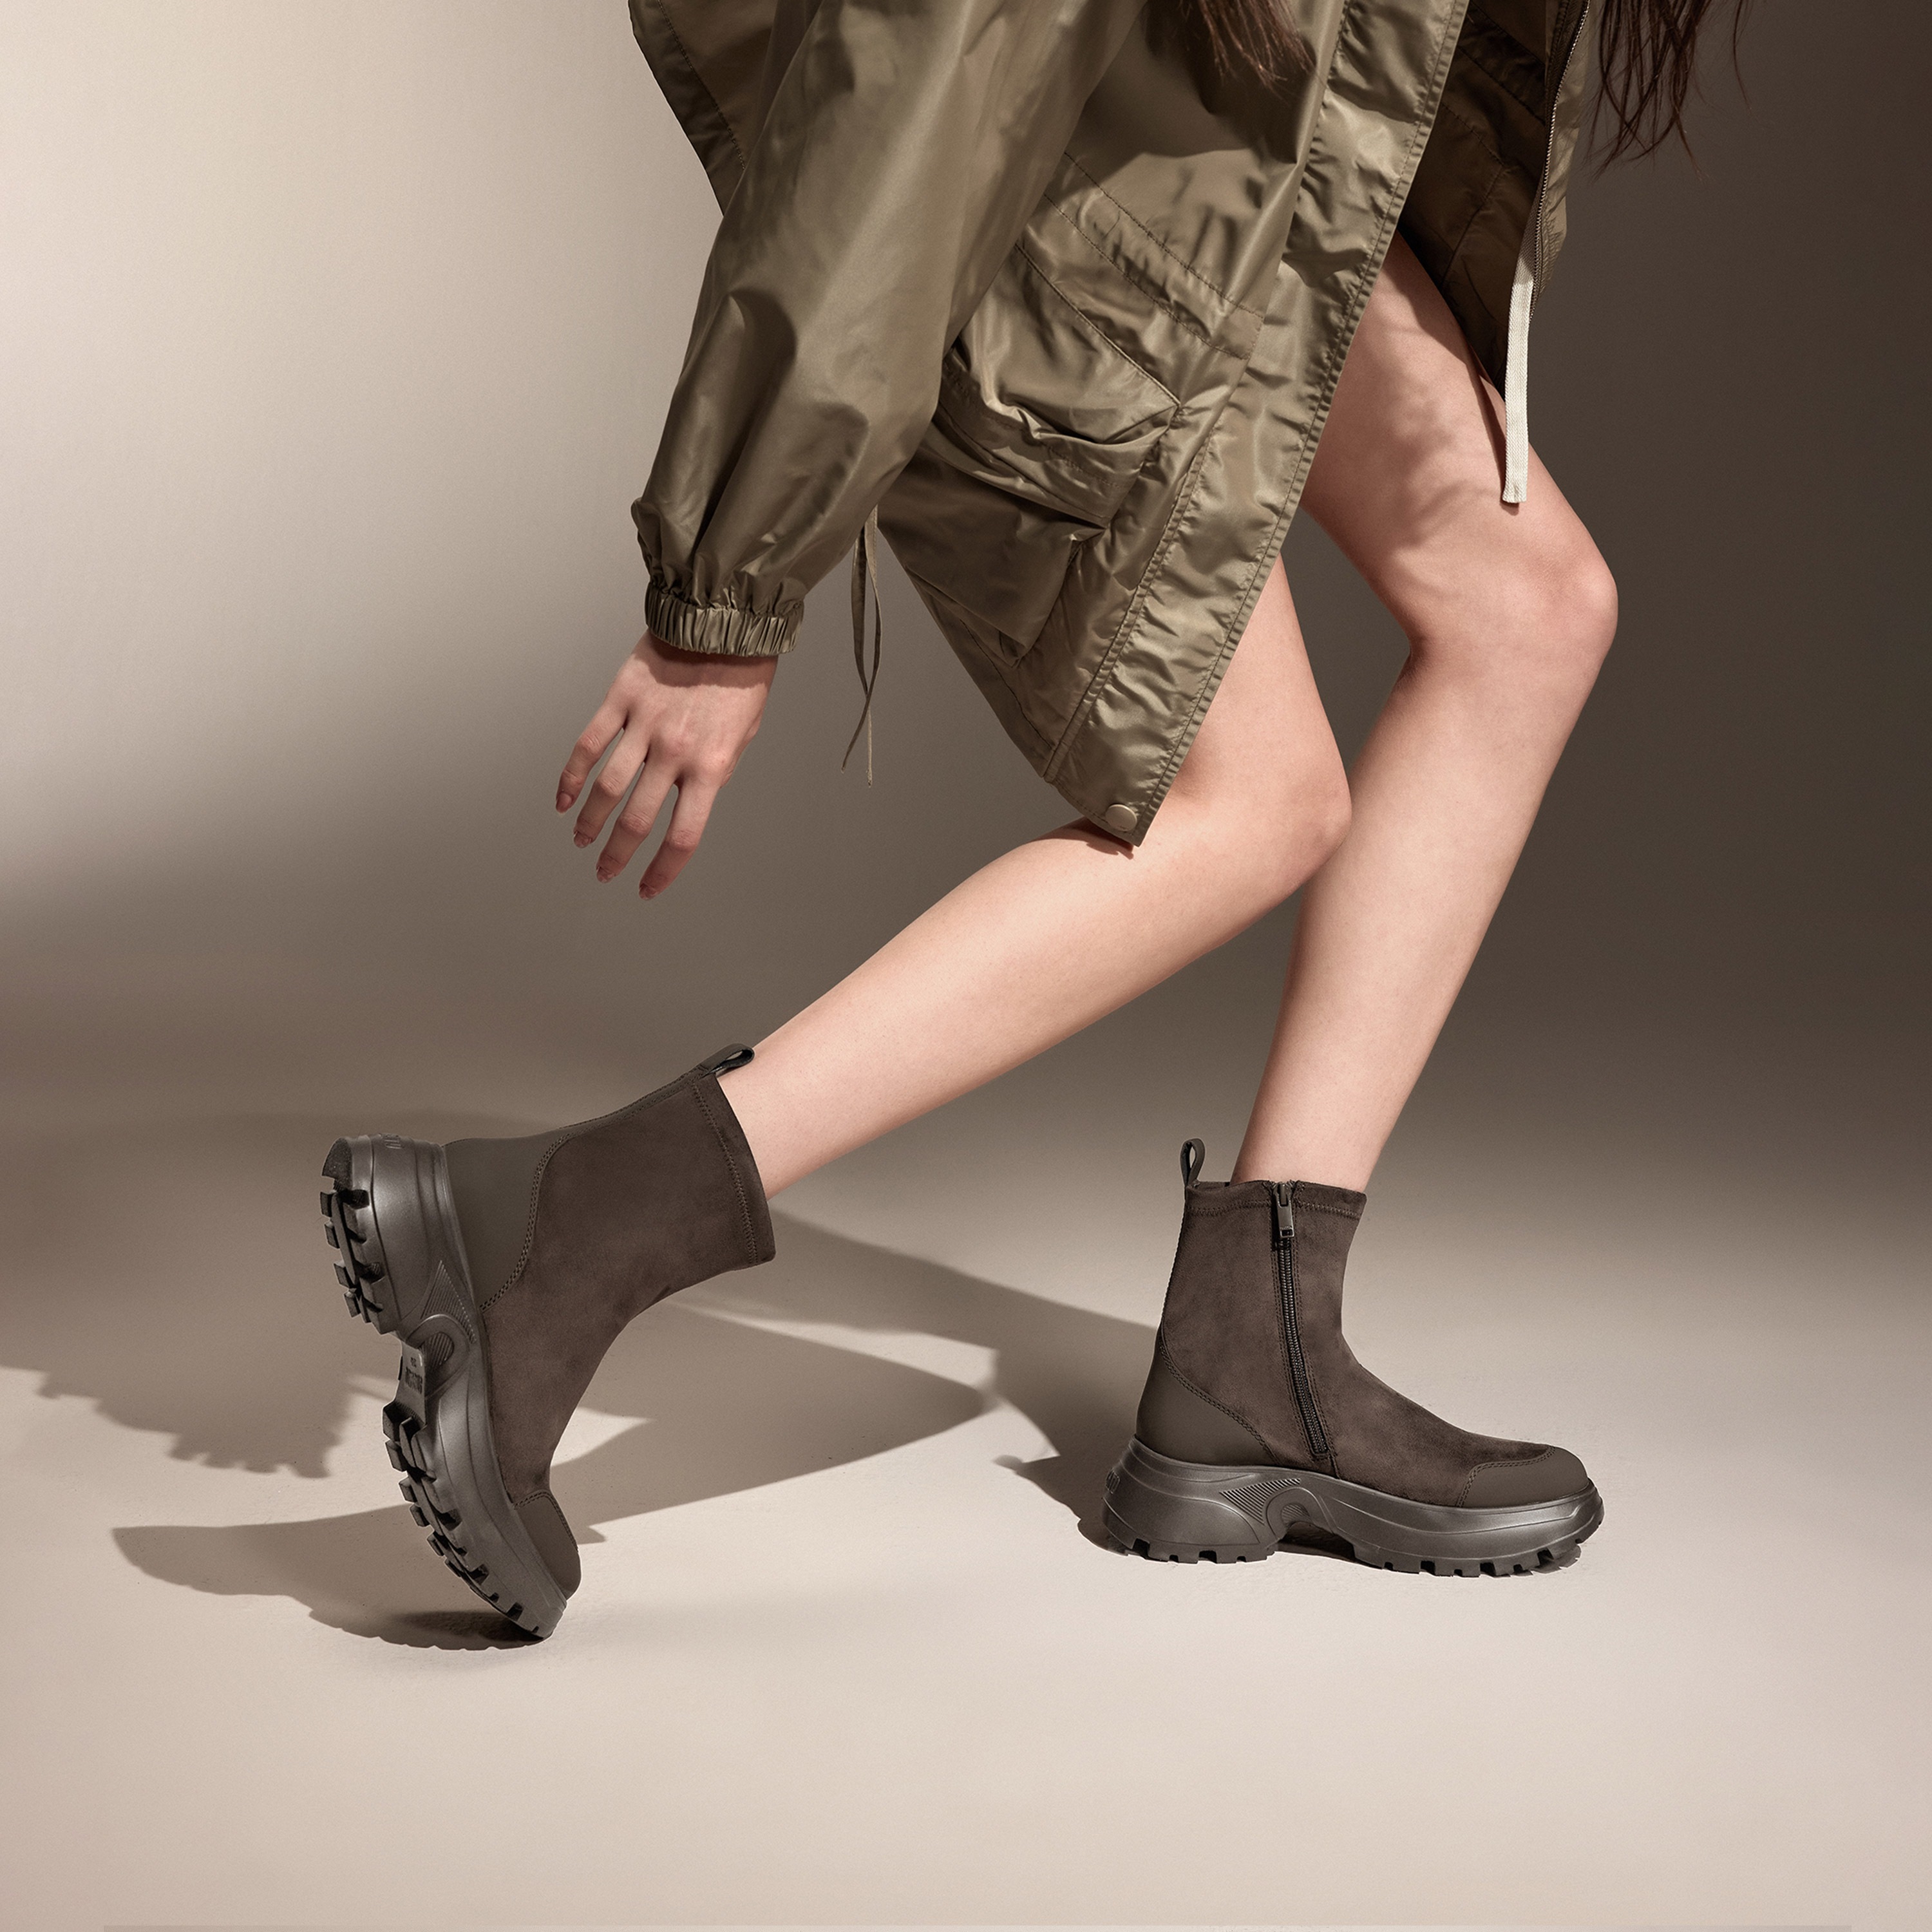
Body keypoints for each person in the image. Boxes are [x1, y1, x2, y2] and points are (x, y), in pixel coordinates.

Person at [320, 0, 1743, 1637]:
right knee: (1258, 805)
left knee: (1530, 610)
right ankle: (570, 1226)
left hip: (1207, 147)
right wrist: (731, 591)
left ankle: (1257, 1349)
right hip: (1026, 182)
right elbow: (920, 65)